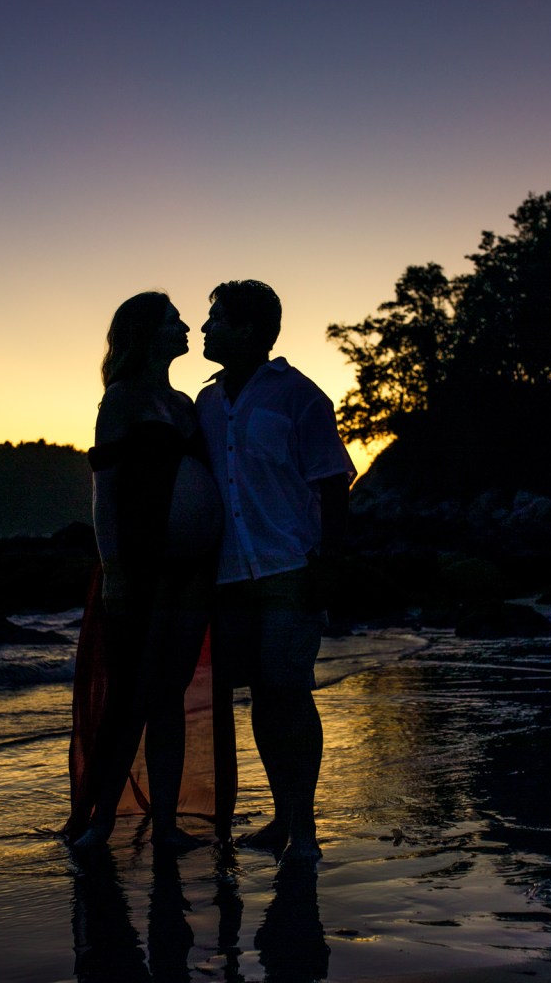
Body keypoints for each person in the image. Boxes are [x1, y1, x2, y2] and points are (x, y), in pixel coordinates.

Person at [65, 290, 235, 851]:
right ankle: (99, 822)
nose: (186, 326)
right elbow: (104, 492)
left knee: (169, 695)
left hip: (193, 569)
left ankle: (165, 825)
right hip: (141, 567)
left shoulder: (186, 403)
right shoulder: (120, 400)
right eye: (173, 320)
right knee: (132, 695)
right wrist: (112, 567)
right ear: (146, 333)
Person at [196, 279, 355, 864]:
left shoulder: (300, 396)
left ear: (247, 329)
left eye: (215, 319)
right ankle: (282, 818)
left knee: (290, 692)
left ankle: (305, 828)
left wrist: (329, 564)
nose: (205, 329)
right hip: (229, 576)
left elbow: (333, 482)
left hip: (291, 565)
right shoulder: (205, 404)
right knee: (261, 698)